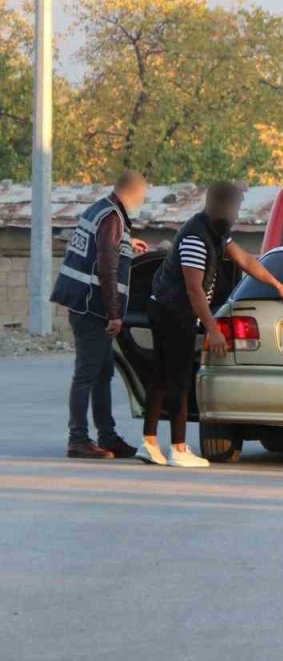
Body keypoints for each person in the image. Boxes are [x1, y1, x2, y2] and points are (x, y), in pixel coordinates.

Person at [141, 182, 283, 468]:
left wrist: (278, 285)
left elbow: (245, 261)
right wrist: (213, 329)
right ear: (222, 206)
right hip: (172, 310)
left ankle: (150, 443)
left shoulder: (216, 231)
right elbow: (194, 290)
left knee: (164, 376)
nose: (238, 212)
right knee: (176, 379)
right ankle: (178, 449)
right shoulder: (195, 237)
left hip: (175, 308)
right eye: (236, 206)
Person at [50, 171, 150, 460]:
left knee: (102, 372)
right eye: (141, 197)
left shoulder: (102, 210)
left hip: (84, 303)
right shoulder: (111, 218)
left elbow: (105, 248)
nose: (141, 202)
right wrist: (114, 314)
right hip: (91, 306)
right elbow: (106, 268)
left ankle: (107, 436)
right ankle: (78, 439)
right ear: (130, 194)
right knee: (87, 373)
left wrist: (127, 244)